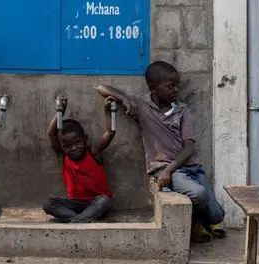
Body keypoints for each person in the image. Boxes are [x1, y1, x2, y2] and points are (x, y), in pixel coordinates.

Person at [96, 61, 225, 243]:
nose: (175, 90)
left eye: (176, 85)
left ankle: (205, 220)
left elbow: (189, 147)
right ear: (153, 88)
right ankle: (196, 223)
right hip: (166, 168)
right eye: (170, 86)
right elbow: (101, 88)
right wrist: (124, 99)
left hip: (190, 167)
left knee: (218, 215)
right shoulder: (142, 106)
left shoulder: (182, 110)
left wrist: (169, 170)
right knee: (199, 194)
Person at [43, 97, 114, 223]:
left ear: (85, 139)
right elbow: (51, 134)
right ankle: (79, 220)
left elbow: (110, 132)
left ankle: (76, 221)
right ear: (62, 147)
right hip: (74, 204)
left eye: (78, 142)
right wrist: (60, 113)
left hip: (95, 203)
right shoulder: (65, 156)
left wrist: (107, 111)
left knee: (105, 201)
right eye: (67, 146)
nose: (74, 148)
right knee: (48, 203)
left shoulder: (93, 152)